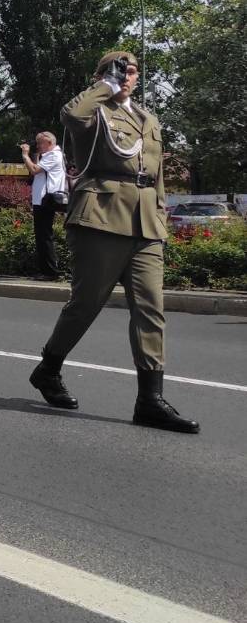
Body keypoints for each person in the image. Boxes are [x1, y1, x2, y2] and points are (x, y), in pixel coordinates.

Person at [29, 51, 198, 433]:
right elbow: (72, 115)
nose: (126, 76)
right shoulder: (95, 112)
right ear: (102, 76)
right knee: (86, 304)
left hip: (146, 224)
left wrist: (160, 217)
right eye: (118, 70)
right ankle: (48, 369)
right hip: (101, 217)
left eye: (131, 71)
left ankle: (150, 400)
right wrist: (105, 84)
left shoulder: (148, 119)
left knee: (151, 308)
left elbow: (155, 175)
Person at [21, 132, 67, 280]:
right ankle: (46, 270)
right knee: (42, 235)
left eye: (40, 143)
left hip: (45, 200)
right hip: (42, 200)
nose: (38, 146)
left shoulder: (53, 155)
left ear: (49, 143)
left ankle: (50, 272)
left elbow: (34, 170)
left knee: (44, 236)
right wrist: (36, 156)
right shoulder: (50, 155)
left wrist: (25, 155)